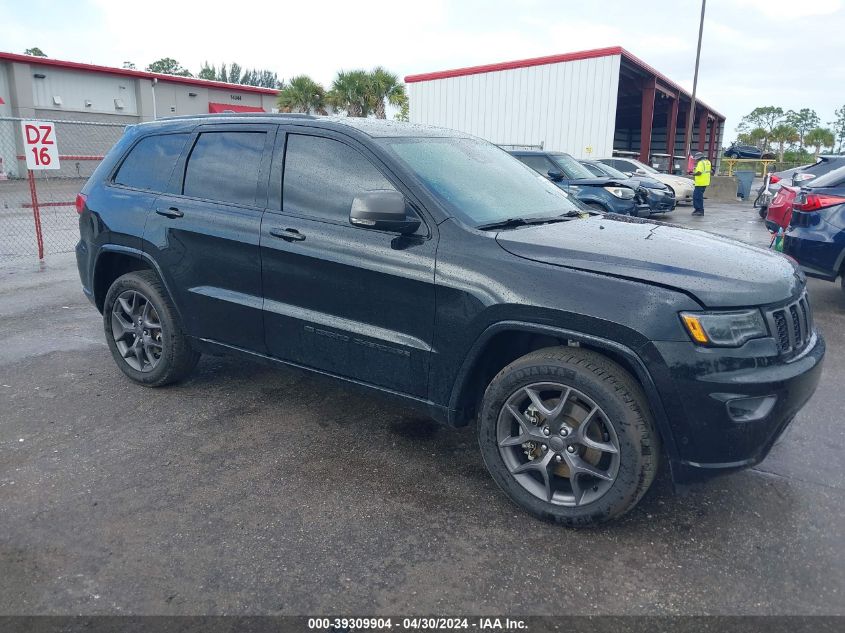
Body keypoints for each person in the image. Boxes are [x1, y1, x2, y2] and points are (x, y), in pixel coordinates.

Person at [691, 151, 712, 216]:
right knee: (699, 197)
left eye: (696, 159)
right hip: (705, 182)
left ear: (699, 158)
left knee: (696, 197)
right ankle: (700, 210)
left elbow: (699, 173)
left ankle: (699, 210)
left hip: (700, 183)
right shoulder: (708, 162)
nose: (696, 160)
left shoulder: (700, 163)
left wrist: (693, 174)